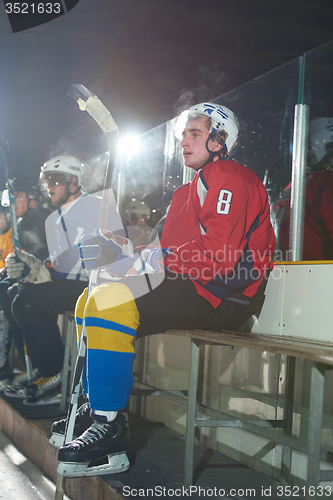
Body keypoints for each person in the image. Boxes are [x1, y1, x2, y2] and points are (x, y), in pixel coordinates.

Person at [50, 102, 276, 477]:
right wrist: (121, 249)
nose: (184, 142)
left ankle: (110, 427)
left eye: (196, 133)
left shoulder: (230, 176)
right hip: (194, 287)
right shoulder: (184, 194)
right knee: (89, 299)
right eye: (183, 134)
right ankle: (95, 409)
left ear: (220, 141)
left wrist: (146, 262)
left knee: (109, 300)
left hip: (224, 296)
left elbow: (218, 257)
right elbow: (163, 253)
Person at [2, 155, 122, 404]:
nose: (49, 186)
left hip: (90, 282)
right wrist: (29, 266)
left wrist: (44, 269)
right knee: (10, 293)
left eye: (55, 180)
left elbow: (100, 253)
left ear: (73, 181)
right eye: (46, 181)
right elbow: (54, 258)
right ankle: (41, 367)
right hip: (66, 280)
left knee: (27, 301)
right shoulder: (57, 216)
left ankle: (55, 374)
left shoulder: (95, 205)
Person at [0, 177, 51, 390]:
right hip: (29, 282)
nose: (13, 202)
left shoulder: (39, 219)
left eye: (18, 197)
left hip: (45, 283)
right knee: (7, 295)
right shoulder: (24, 221)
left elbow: (36, 257)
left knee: (11, 298)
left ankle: (45, 368)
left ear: (32, 199)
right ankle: (36, 367)